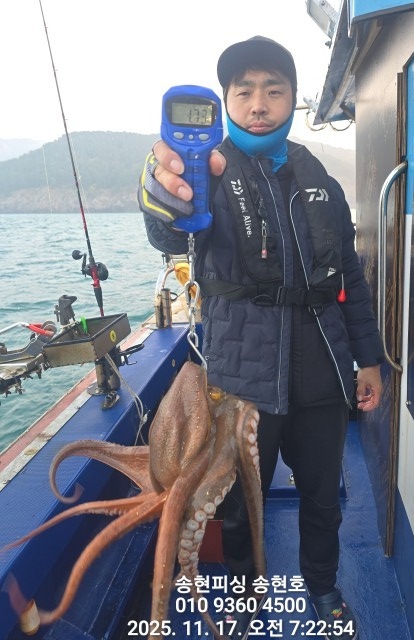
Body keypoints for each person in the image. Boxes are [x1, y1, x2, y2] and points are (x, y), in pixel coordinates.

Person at [138, 36, 383, 640]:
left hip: (323, 367)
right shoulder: (207, 170)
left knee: (322, 495)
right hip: (240, 380)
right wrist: (159, 199)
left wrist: (369, 359)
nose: (258, 104)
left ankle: (321, 585)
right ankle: (247, 596)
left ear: (293, 99)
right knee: (236, 505)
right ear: (226, 102)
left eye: (274, 91)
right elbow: (170, 230)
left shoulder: (319, 176)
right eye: (244, 91)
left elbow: (350, 278)